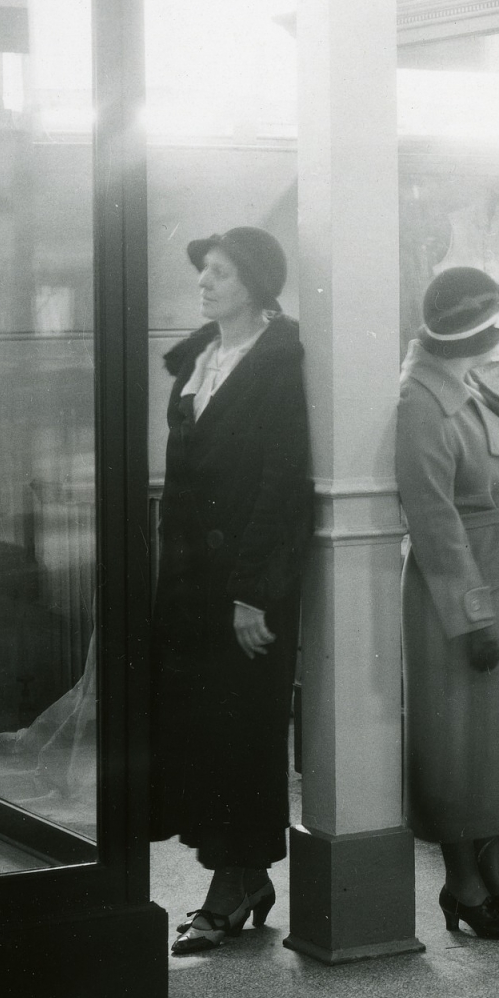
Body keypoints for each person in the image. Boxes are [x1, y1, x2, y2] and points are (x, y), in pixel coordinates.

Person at [153, 227, 312, 953]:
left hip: (247, 584)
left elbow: (283, 480)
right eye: (204, 271)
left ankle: (232, 884)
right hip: (192, 585)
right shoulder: (202, 358)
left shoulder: (278, 360)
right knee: (206, 733)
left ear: (253, 282)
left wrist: (252, 591)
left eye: (219, 272)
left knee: (244, 732)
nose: (205, 282)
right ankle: (241, 874)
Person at [395, 267, 499, 940]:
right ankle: (461, 883)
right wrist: (472, 617)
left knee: (497, 747)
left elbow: (487, 473)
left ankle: (492, 875)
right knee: (461, 746)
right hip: (463, 597)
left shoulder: (461, 384)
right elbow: (434, 522)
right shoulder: (420, 403)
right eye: (493, 324)